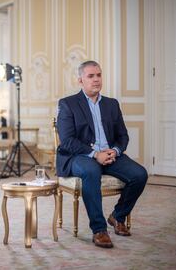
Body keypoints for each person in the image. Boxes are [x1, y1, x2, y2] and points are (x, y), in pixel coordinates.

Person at [56, 60, 147, 248]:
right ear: (80, 80)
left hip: (109, 154)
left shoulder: (112, 104)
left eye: (99, 75)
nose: (96, 79)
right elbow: (67, 140)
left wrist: (115, 150)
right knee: (91, 171)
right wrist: (95, 154)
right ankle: (99, 229)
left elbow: (123, 136)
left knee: (140, 174)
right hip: (79, 156)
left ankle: (117, 216)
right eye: (91, 76)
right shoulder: (68, 104)